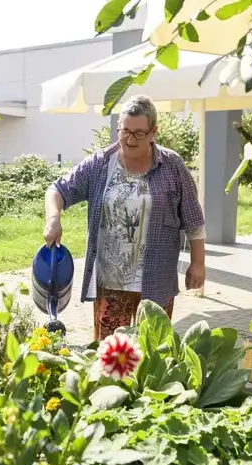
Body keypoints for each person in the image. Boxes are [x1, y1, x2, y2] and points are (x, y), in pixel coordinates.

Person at [43, 95, 206, 340]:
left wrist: (198, 263)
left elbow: (194, 220)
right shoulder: (100, 163)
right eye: (125, 131)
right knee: (109, 352)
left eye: (139, 133)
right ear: (119, 127)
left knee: (152, 353)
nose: (130, 140)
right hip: (109, 283)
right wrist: (53, 218)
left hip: (156, 282)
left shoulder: (172, 166)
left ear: (154, 132)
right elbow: (57, 190)